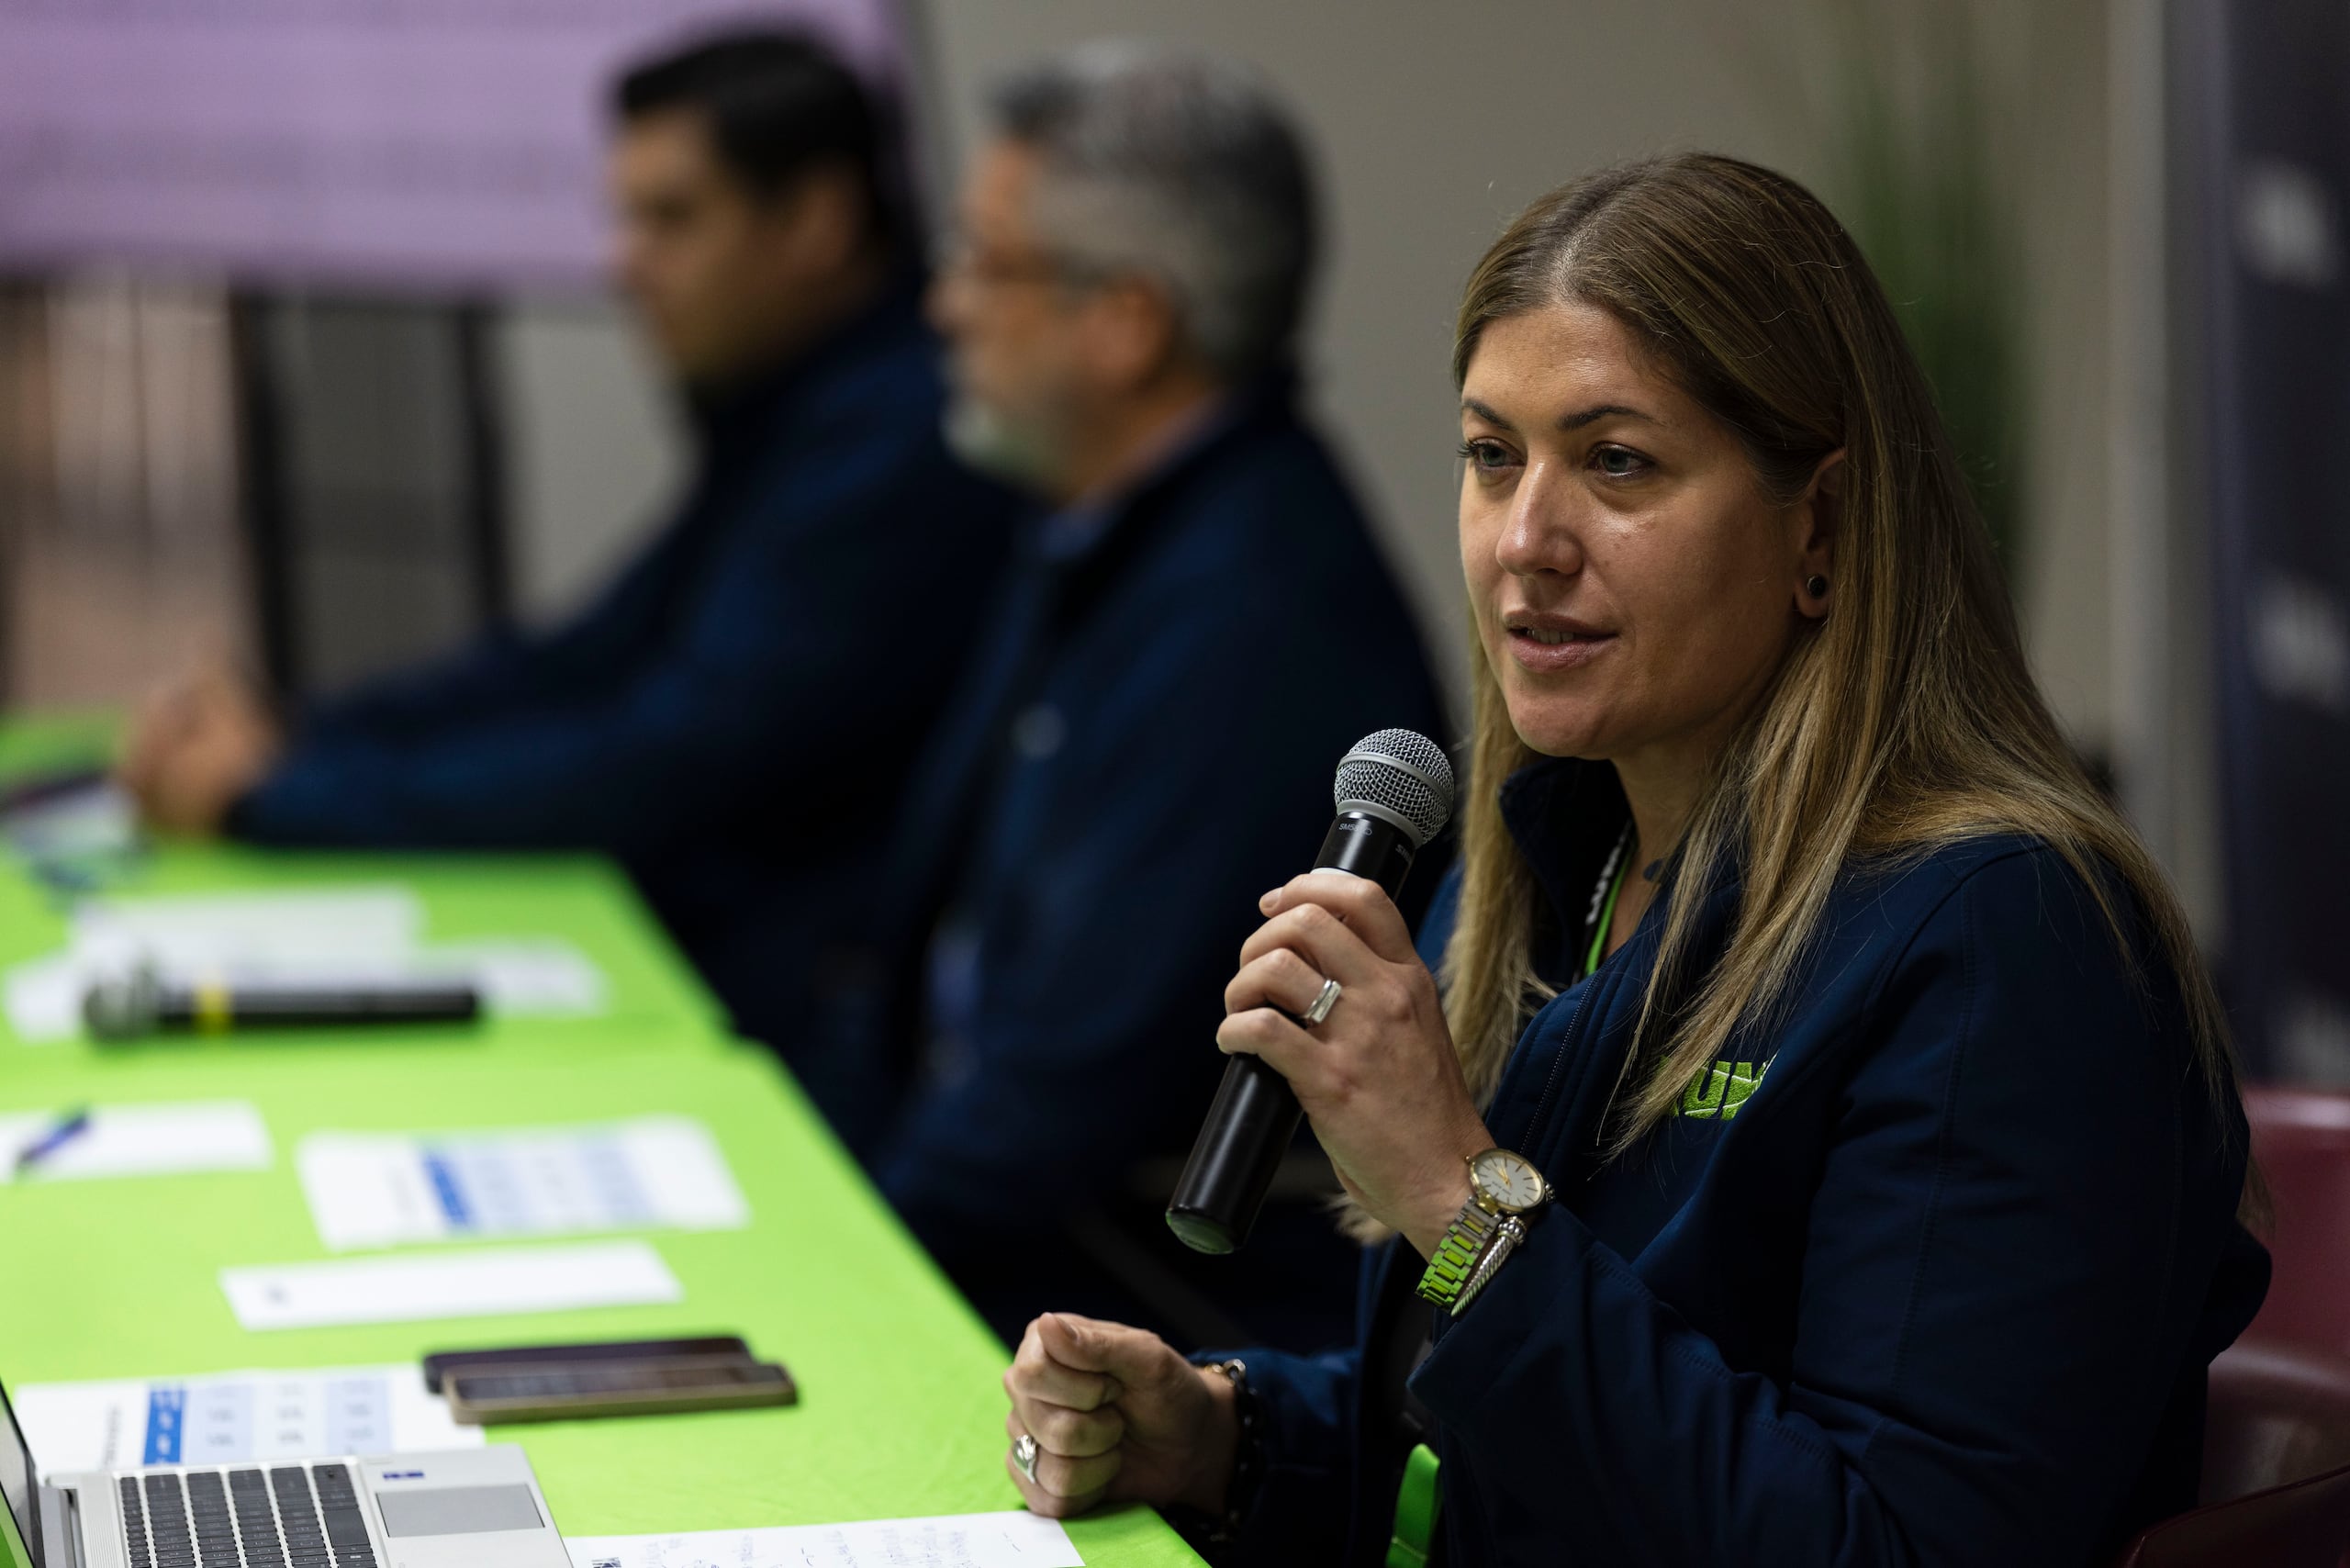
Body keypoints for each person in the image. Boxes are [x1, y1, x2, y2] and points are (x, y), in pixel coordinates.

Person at [998, 153, 2271, 1566]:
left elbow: (1886, 1545)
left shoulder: (2009, 941)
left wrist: (1452, 1190)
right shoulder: (1556, 864)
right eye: (1494, 457)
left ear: (1824, 528)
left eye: (1617, 463)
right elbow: (1502, 1456)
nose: (1526, 543)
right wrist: (1232, 1434)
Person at [114, 31, 1016, 1053]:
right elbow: (584, 656)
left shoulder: (898, 442)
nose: (624, 263)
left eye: (672, 218)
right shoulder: (801, 411)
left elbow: (666, 756)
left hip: (811, 1018)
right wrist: (300, 732)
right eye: (625, 217)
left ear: (814, 221)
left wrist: (274, 796)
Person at [811, 43, 1446, 1351]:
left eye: (987, 262)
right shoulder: (1108, 523)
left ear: (1129, 322)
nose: (944, 307)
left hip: (1139, 1322)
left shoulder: (1254, 613)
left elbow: (1055, 1108)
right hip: (1002, 1244)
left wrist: (815, 1275)